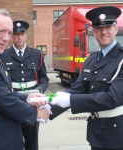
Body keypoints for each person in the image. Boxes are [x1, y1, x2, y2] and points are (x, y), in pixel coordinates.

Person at [0, 9, 50, 150]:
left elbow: (4, 92)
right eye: (1, 31)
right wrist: (36, 113)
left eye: (9, 33)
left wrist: (27, 98)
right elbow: (2, 99)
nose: (7, 38)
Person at [49, 6, 123, 150]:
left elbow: (112, 98)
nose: (103, 32)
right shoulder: (91, 60)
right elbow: (78, 89)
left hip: (117, 134)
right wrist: (48, 109)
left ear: (115, 29)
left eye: (108, 26)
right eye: (98, 28)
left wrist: (69, 100)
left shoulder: (121, 59)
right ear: (93, 32)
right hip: (96, 132)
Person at [0, 20, 49, 150]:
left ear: (26, 35)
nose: (19, 37)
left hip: (32, 104)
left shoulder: (37, 55)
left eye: (22, 33)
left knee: (32, 140)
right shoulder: (3, 56)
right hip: (14, 102)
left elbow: (44, 78)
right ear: (11, 36)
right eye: (16, 34)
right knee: (13, 139)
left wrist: (39, 90)